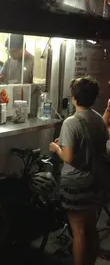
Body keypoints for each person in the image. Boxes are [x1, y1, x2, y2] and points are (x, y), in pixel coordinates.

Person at [49, 76, 109, 265]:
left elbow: (68, 157)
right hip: (96, 180)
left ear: (74, 97)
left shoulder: (71, 122)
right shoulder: (99, 119)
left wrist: (57, 148)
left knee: (79, 231)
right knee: (90, 228)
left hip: (77, 184)